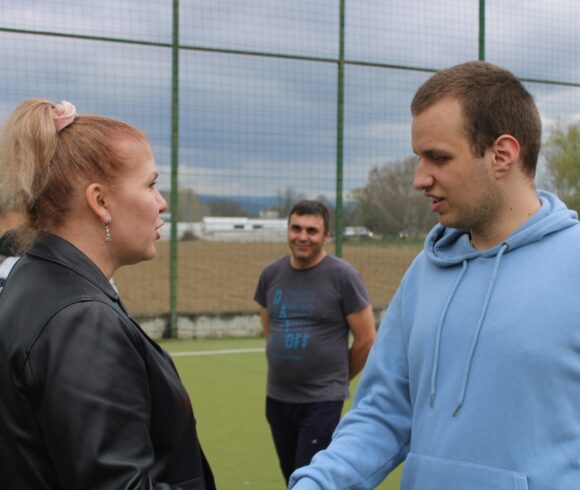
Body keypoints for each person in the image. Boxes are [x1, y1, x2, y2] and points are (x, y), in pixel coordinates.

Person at [289, 61, 580, 490]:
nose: (419, 178)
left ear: (502, 155)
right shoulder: (424, 272)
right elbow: (383, 412)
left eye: (438, 158)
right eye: (419, 158)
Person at [0, 99, 216, 489]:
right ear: (100, 201)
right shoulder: (81, 321)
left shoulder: (34, 277)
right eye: (150, 184)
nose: (162, 202)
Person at [254, 200, 376, 484]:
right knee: (291, 476)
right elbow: (269, 325)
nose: (302, 237)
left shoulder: (343, 276)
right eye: (296, 228)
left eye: (312, 230)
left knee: (310, 478)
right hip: (278, 398)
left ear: (326, 236)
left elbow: (366, 340)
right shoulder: (271, 274)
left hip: (321, 401)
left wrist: (336, 380)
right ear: (288, 231)